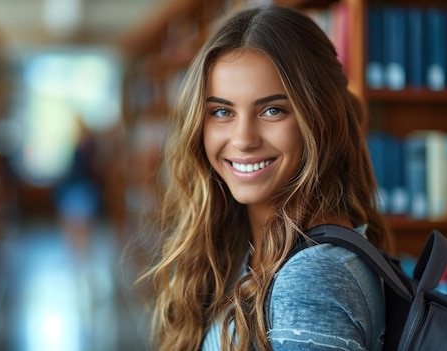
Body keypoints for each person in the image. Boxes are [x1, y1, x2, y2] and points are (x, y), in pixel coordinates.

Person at [136, 5, 395, 351]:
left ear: (320, 118)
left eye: (273, 110)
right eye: (222, 111)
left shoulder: (311, 278)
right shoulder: (243, 247)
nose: (243, 139)